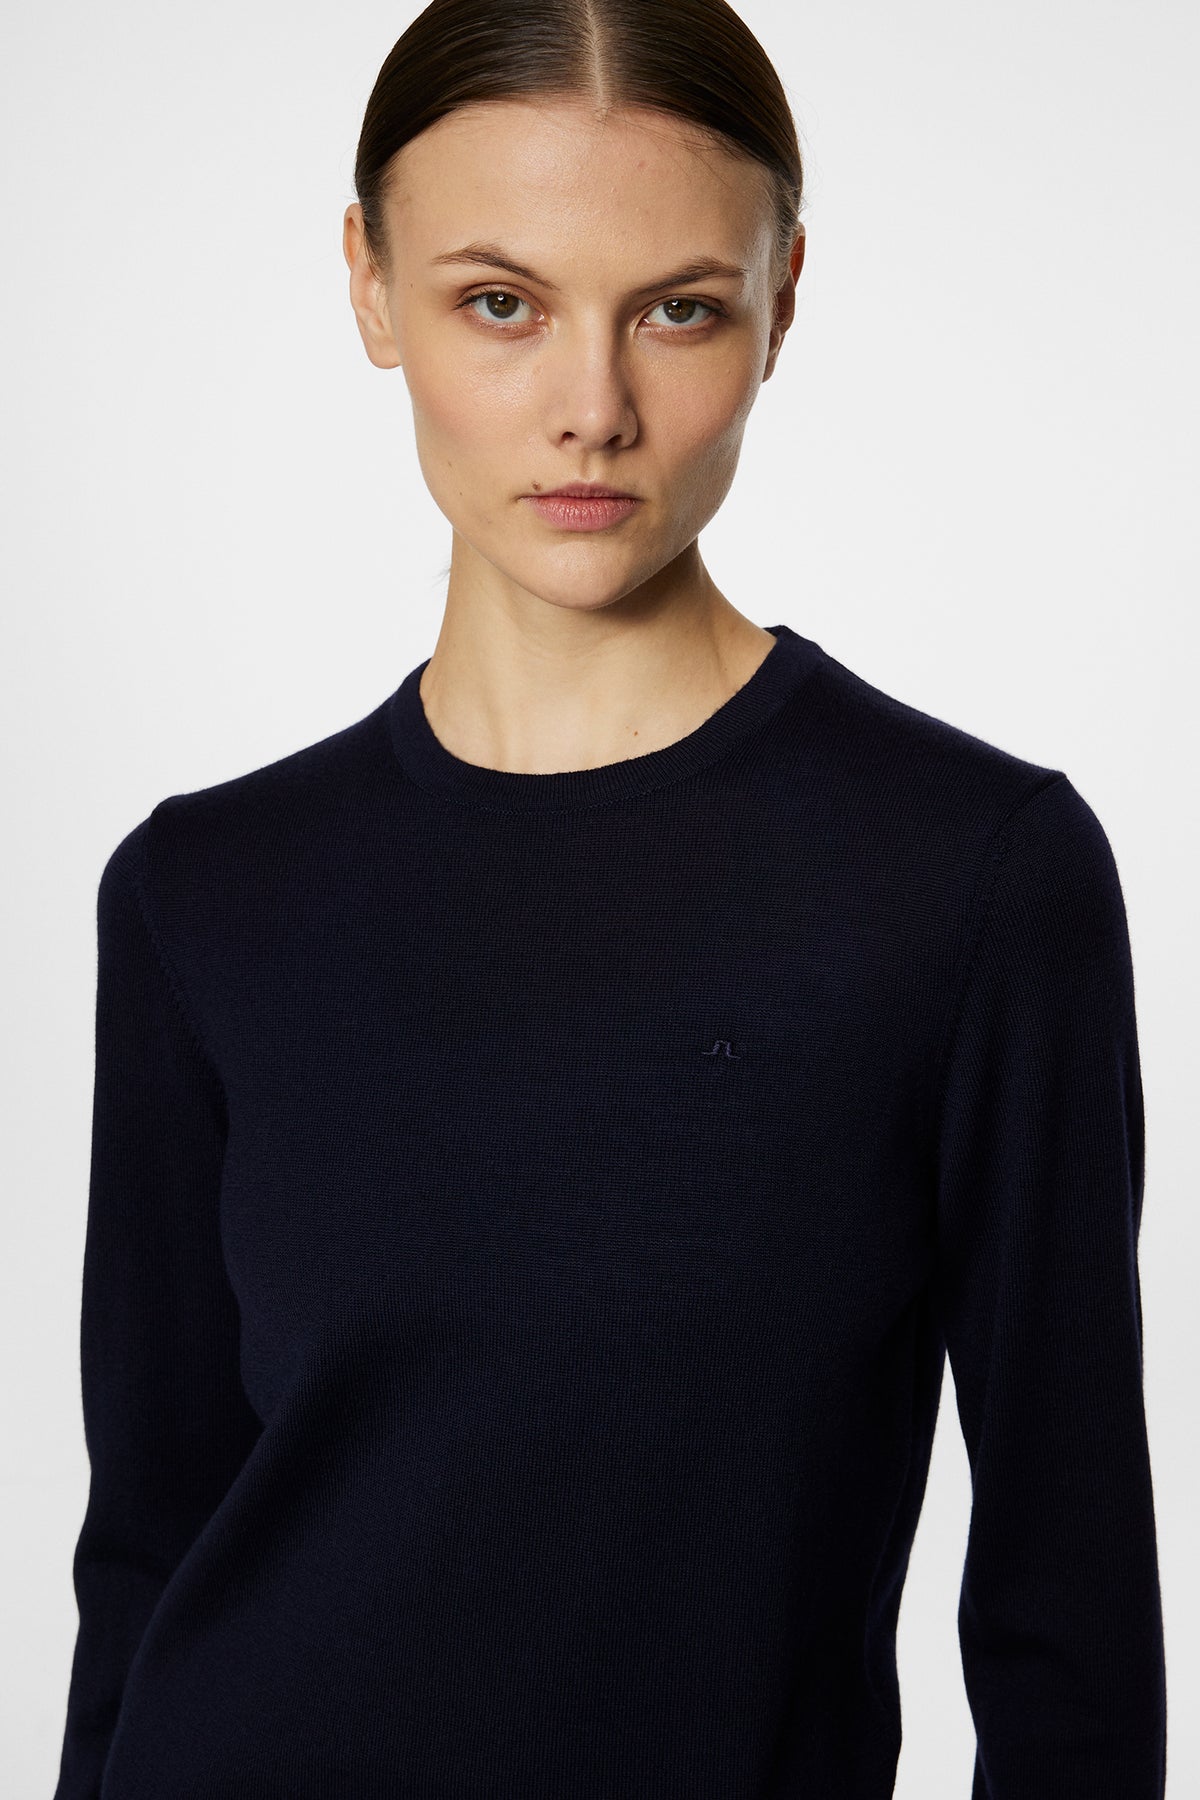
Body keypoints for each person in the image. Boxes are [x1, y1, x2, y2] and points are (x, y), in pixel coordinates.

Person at [52, 1, 1167, 1795]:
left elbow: (1072, 1623)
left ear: (783, 300)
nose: (593, 410)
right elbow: (146, 1554)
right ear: (370, 289)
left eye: (679, 309)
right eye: (500, 303)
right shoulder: (202, 893)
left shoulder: (972, 877)